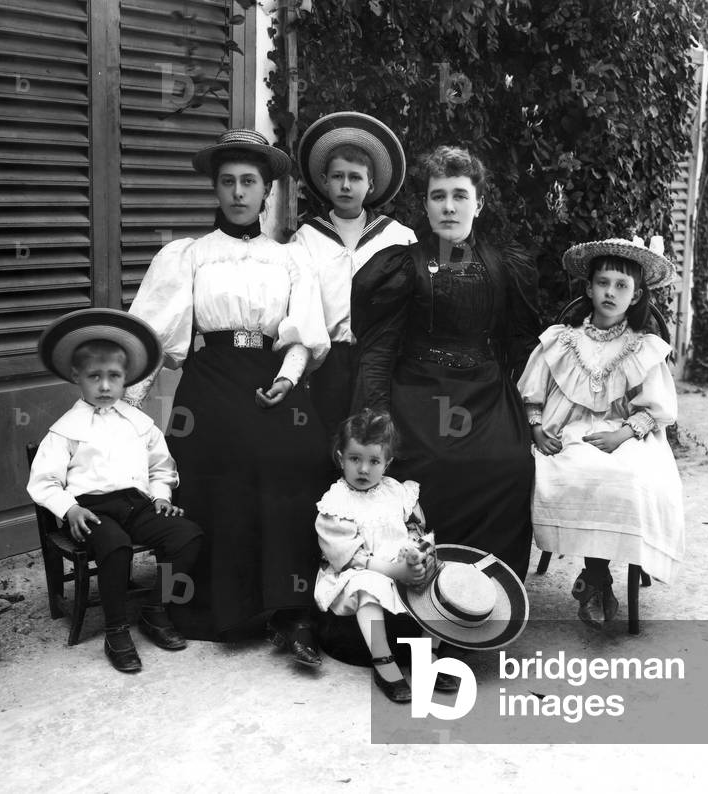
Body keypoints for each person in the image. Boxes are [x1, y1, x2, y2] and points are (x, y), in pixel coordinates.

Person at [124, 129, 333, 665]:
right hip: (210, 378)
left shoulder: (290, 259)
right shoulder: (189, 255)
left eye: (249, 182)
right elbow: (152, 335)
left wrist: (287, 377)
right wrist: (123, 412)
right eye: (228, 183)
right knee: (209, 467)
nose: (239, 193)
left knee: (299, 460)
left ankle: (292, 609)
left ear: (266, 192)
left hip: (270, 375)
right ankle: (202, 606)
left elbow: (304, 332)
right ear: (215, 191)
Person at [350, 145, 540, 582]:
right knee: (427, 465)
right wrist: (375, 414)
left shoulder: (504, 265)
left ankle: (481, 593)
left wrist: (538, 410)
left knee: (509, 464)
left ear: (480, 203)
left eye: (460, 195)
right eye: (438, 196)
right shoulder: (403, 265)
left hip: (486, 394)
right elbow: (378, 349)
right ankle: (420, 587)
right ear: (425, 204)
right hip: (418, 392)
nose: (449, 207)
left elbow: (520, 344)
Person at [516, 236, 685, 627]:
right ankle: (597, 579)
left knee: (623, 477)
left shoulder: (642, 346)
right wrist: (537, 429)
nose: (611, 292)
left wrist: (623, 435)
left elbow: (656, 410)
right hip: (568, 431)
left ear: (636, 294)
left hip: (625, 435)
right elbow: (532, 393)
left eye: (622, 286)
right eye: (604, 283)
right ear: (589, 288)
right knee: (567, 471)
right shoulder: (562, 340)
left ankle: (594, 577)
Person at [27, 308, 203, 673]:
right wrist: (69, 510)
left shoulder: (139, 424)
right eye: (95, 377)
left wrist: (160, 497)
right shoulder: (65, 430)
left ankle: (156, 610)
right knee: (114, 544)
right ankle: (116, 629)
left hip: (136, 505)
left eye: (114, 377)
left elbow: (162, 466)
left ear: (127, 380)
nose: (105, 386)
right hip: (90, 510)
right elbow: (43, 481)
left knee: (187, 536)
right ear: (77, 377)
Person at [314, 408, 458, 703]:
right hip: (359, 569)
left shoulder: (395, 491)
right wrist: (395, 573)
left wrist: (418, 555)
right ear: (341, 458)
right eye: (355, 459)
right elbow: (350, 557)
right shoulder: (336, 503)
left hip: (400, 563)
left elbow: (415, 528)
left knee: (443, 580)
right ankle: (384, 661)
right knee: (367, 587)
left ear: (387, 463)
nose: (364, 469)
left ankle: (427, 655)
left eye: (374, 461)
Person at [289, 112, 416, 434]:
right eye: (338, 176)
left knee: (374, 439)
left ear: (371, 183)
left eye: (356, 177)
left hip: (382, 360)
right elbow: (299, 305)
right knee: (326, 438)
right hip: (328, 361)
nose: (346, 185)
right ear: (324, 180)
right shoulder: (307, 238)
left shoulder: (397, 236)